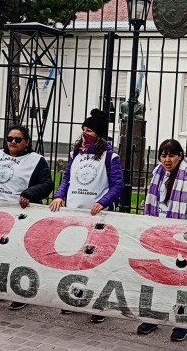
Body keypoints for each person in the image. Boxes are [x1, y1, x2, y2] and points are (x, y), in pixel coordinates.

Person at [136, 139, 187, 342]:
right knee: (155, 275)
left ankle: (181, 323)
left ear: (180, 156)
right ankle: (153, 317)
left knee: (181, 280)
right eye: (163, 155)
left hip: (183, 237)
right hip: (160, 234)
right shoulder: (159, 174)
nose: (167, 159)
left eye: (171, 155)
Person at [50, 108, 123, 322]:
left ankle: (98, 306)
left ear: (98, 133)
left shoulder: (111, 156)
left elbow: (117, 186)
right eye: (83, 128)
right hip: (75, 215)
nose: (84, 133)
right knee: (75, 259)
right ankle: (76, 298)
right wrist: (59, 196)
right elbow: (67, 179)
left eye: (89, 130)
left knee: (96, 262)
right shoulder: (78, 154)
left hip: (98, 219)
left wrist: (103, 202)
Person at [0, 124, 53, 310]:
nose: (13, 143)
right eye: (10, 139)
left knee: (17, 255)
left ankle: (21, 292)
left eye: (18, 140)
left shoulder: (36, 160)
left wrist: (29, 193)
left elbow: (47, 183)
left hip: (20, 216)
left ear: (27, 142)